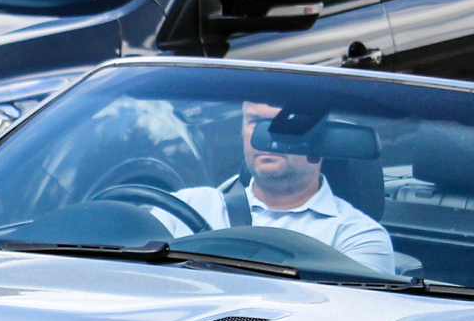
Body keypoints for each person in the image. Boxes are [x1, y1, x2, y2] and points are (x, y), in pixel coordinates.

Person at [160, 101, 398, 276]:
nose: (267, 134)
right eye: (255, 122)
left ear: (321, 138)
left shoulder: (357, 237)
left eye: (285, 122)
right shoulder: (186, 206)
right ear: (242, 131)